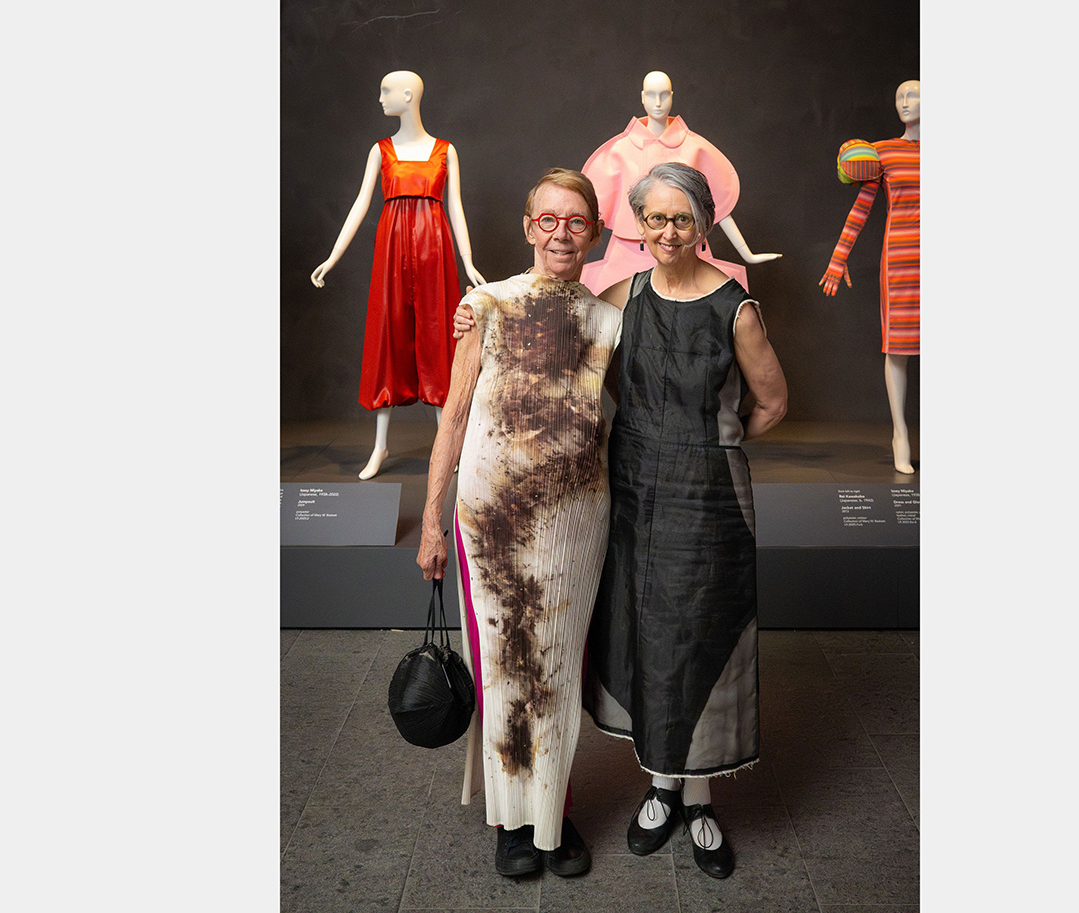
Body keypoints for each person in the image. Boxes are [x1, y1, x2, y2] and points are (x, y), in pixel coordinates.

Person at [457, 162, 787, 879]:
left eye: (682, 218)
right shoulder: (620, 298)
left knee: (700, 634)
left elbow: (770, 402)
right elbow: (559, 332)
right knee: (649, 634)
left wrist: (711, 442)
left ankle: (699, 801)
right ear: (636, 223)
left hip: (709, 495)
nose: (668, 231)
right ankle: (662, 789)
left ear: (702, 224)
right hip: (633, 491)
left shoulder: (738, 307)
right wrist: (477, 310)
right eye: (655, 218)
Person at [417, 168, 622, 879]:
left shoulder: (609, 321)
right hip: (492, 521)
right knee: (507, 670)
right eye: (547, 220)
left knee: (558, 674)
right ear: (528, 226)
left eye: (576, 221)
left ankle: (553, 817)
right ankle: (510, 822)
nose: (561, 233)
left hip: (577, 523)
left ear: (594, 232)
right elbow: (452, 418)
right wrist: (431, 526)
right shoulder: (487, 305)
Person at [309, 71, 485, 480]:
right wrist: (333, 256)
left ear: (408, 96)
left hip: (434, 249)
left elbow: (455, 207)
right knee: (388, 333)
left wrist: (468, 260)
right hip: (391, 251)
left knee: (437, 334)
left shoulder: (445, 151)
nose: (380, 97)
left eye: (386, 91)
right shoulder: (381, 150)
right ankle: (381, 445)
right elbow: (360, 204)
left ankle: (446, 442)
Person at [579, 71, 781, 296]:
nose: (657, 103)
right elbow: (591, 213)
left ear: (672, 96)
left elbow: (717, 205)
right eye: (652, 95)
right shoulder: (618, 151)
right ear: (643, 97)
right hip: (628, 256)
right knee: (620, 316)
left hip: (684, 251)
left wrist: (747, 252)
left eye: (664, 95)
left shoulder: (695, 148)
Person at [819, 79, 920, 474]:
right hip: (901, 259)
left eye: (913, 95)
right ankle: (901, 433)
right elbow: (861, 209)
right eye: (899, 97)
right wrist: (838, 258)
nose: (905, 103)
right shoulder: (883, 153)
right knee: (898, 348)